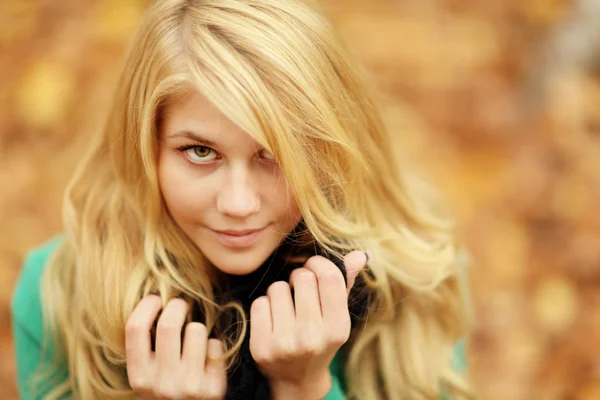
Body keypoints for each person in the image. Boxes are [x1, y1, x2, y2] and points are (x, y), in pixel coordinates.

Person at [11, 0, 473, 398]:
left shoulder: (416, 278)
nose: (237, 203)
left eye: (274, 154)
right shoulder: (59, 295)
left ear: (328, 148)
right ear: (145, 149)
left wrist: (304, 388)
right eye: (200, 151)